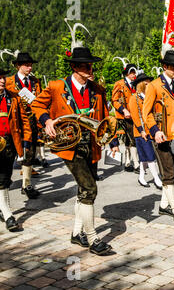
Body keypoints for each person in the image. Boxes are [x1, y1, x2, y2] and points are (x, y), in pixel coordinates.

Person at [31, 47, 118, 255]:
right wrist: (47, 120)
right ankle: (92, 238)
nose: (90, 68)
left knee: (84, 189)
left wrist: (112, 141)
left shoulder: (97, 88)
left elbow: (105, 117)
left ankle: (76, 233)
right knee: (89, 189)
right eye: (84, 66)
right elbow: (36, 105)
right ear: (74, 67)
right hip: (70, 145)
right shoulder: (56, 86)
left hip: (92, 144)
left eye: (90, 65)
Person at [142, 50, 174, 225]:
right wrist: (155, 130)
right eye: (173, 67)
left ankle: (164, 205)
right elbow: (146, 112)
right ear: (164, 66)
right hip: (161, 135)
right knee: (168, 171)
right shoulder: (154, 85)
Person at [5, 52, 42, 199]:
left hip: (31, 120)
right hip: (14, 120)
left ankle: (26, 184)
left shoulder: (35, 81)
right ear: (18, 66)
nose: (29, 67)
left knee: (30, 151)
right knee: (9, 150)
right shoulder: (8, 81)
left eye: (31, 64)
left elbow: (39, 99)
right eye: (26, 65)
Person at [0, 68, 32, 231]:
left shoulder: (13, 97)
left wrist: (26, 141)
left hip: (9, 143)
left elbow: (24, 121)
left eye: (3, 77)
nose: (2, 81)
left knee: (4, 178)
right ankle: (8, 215)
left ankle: (4, 209)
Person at [128, 73, 163, 190]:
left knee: (144, 157)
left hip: (150, 130)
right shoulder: (134, 98)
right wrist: (141, 130)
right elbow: (135, 116)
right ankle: (156, 178)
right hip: (141, 132)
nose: (149, 85)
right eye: (147, 83)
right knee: (150, 156)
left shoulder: (148, 96)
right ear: (141, 84)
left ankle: (141, 177)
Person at [111, 63, 139, 173]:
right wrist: (123, 110)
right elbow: (114, 100)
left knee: (131, 139)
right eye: (131, 72)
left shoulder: (136, 84)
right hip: (123, 116)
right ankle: (135, 163)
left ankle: (128, 162)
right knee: (131, 139)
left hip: (134, 115)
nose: (133, 74)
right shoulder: (119, 84)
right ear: (126, 73)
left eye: (134, 72)